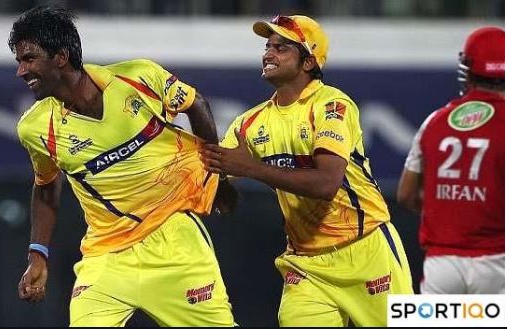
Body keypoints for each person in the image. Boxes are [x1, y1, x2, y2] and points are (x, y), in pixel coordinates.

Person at [9, 6, 237, 326]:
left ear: (60, 56)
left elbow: (195, 104)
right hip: (106, 257)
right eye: (19, 61)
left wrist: (218, 177)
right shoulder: (35, 128)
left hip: (176, 242)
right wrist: (37, 255)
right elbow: (46, 186)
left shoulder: (138, 76)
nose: (21, 71)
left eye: (29, 59)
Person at [201, 15, 413, 327]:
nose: (268, 53)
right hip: (306, 265)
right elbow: (212, 169)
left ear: (308, 62)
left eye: (282, 47)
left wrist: (251, 168)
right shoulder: (250, 122)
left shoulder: (332, 105)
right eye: (268, 46)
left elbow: (326, 183)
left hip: (366, 251)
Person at [397, 27, 505, 294]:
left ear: (467, 69)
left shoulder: (435, 121)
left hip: (441, 264)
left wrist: (452, 211)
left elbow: (406, 194)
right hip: (497, 261)